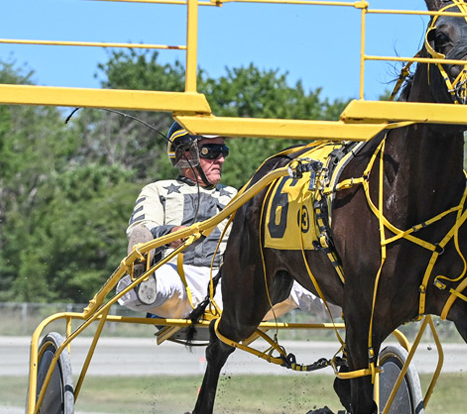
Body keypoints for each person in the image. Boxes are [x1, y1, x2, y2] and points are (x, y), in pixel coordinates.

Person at [118, 122, 337, 322]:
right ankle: (141, 282)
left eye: (223, 151)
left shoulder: (237, 195)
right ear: (186, 154)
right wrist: (171, 234)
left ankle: (345, 299)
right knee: (156, 280)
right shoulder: (158, 189)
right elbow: (143, 228)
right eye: (211, 151)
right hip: (178, 274)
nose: (221, 159)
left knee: (297, 284)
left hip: (228, 282)